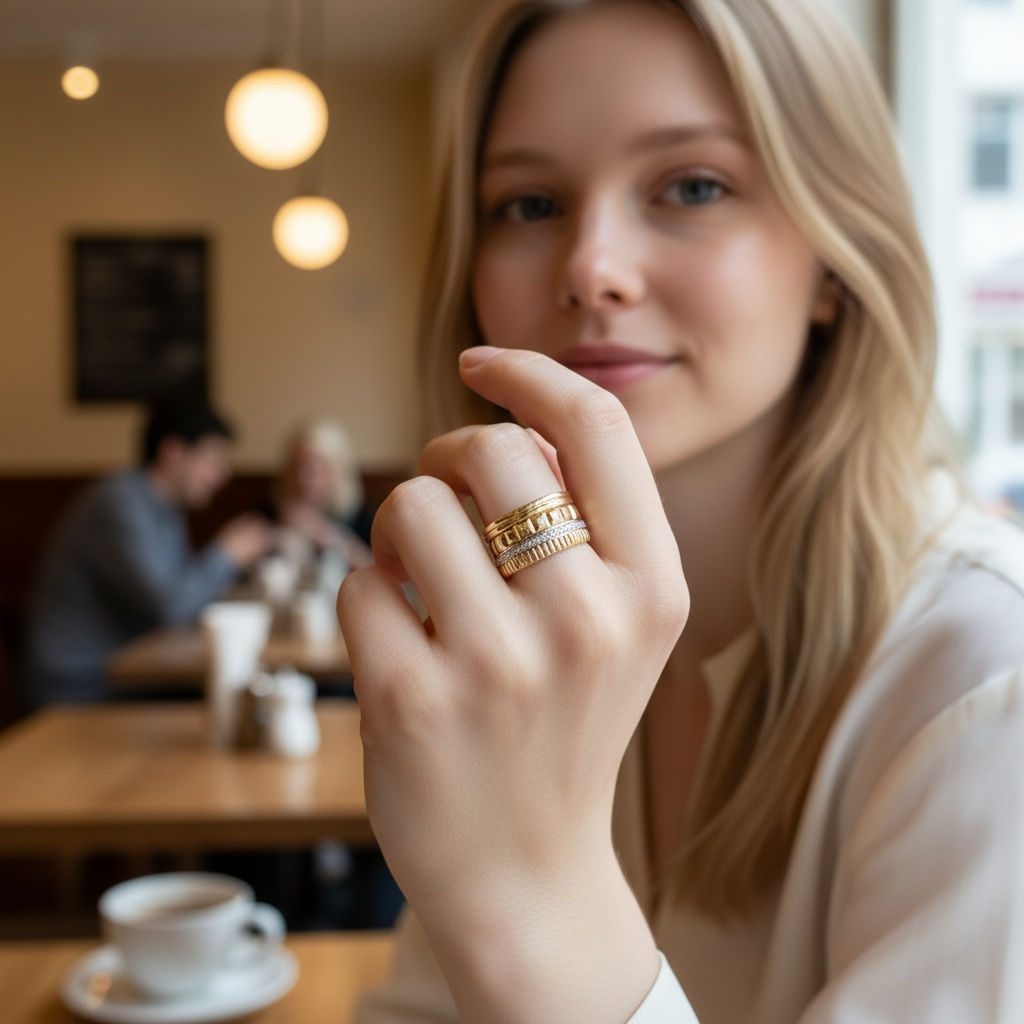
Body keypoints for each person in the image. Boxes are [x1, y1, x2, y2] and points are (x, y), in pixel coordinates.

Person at [337, 0, 1024, 1021]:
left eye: (692, 186)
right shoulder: (517, 640)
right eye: (528, 205)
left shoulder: (985, 676)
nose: (589, 268)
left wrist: (532, 901)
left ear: (833, 262)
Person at [22, 400, 273, 709]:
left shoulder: (166, 509)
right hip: (77, 685)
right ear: (173, 453)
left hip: (118, 674)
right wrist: (226, 553)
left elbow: (184, 600)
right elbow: (169, 608)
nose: (221, 475)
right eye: (212, 458)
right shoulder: (120, 503)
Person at [271, 419, 373, 575]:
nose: (302, 477)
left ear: (339, 472)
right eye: (296, 466)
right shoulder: (271, 511)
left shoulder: (364, 520)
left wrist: (328, 537)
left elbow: (379, 573)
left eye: (315, 468)